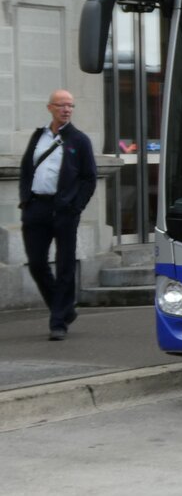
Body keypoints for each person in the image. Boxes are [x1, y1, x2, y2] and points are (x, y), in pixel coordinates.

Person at [18, 89, 98, 340]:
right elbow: (26, 169)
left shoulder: (79, 140)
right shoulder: (38, 136)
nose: (66, 110)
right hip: (36, 208)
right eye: (62, 105)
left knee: (64, 264)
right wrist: (26, 200)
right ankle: (62, 308)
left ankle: (58, 323)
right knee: (37, 262)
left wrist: (76, 206)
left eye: (71, 106)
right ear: (50, 107)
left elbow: (89, 178)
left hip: (64, 210)